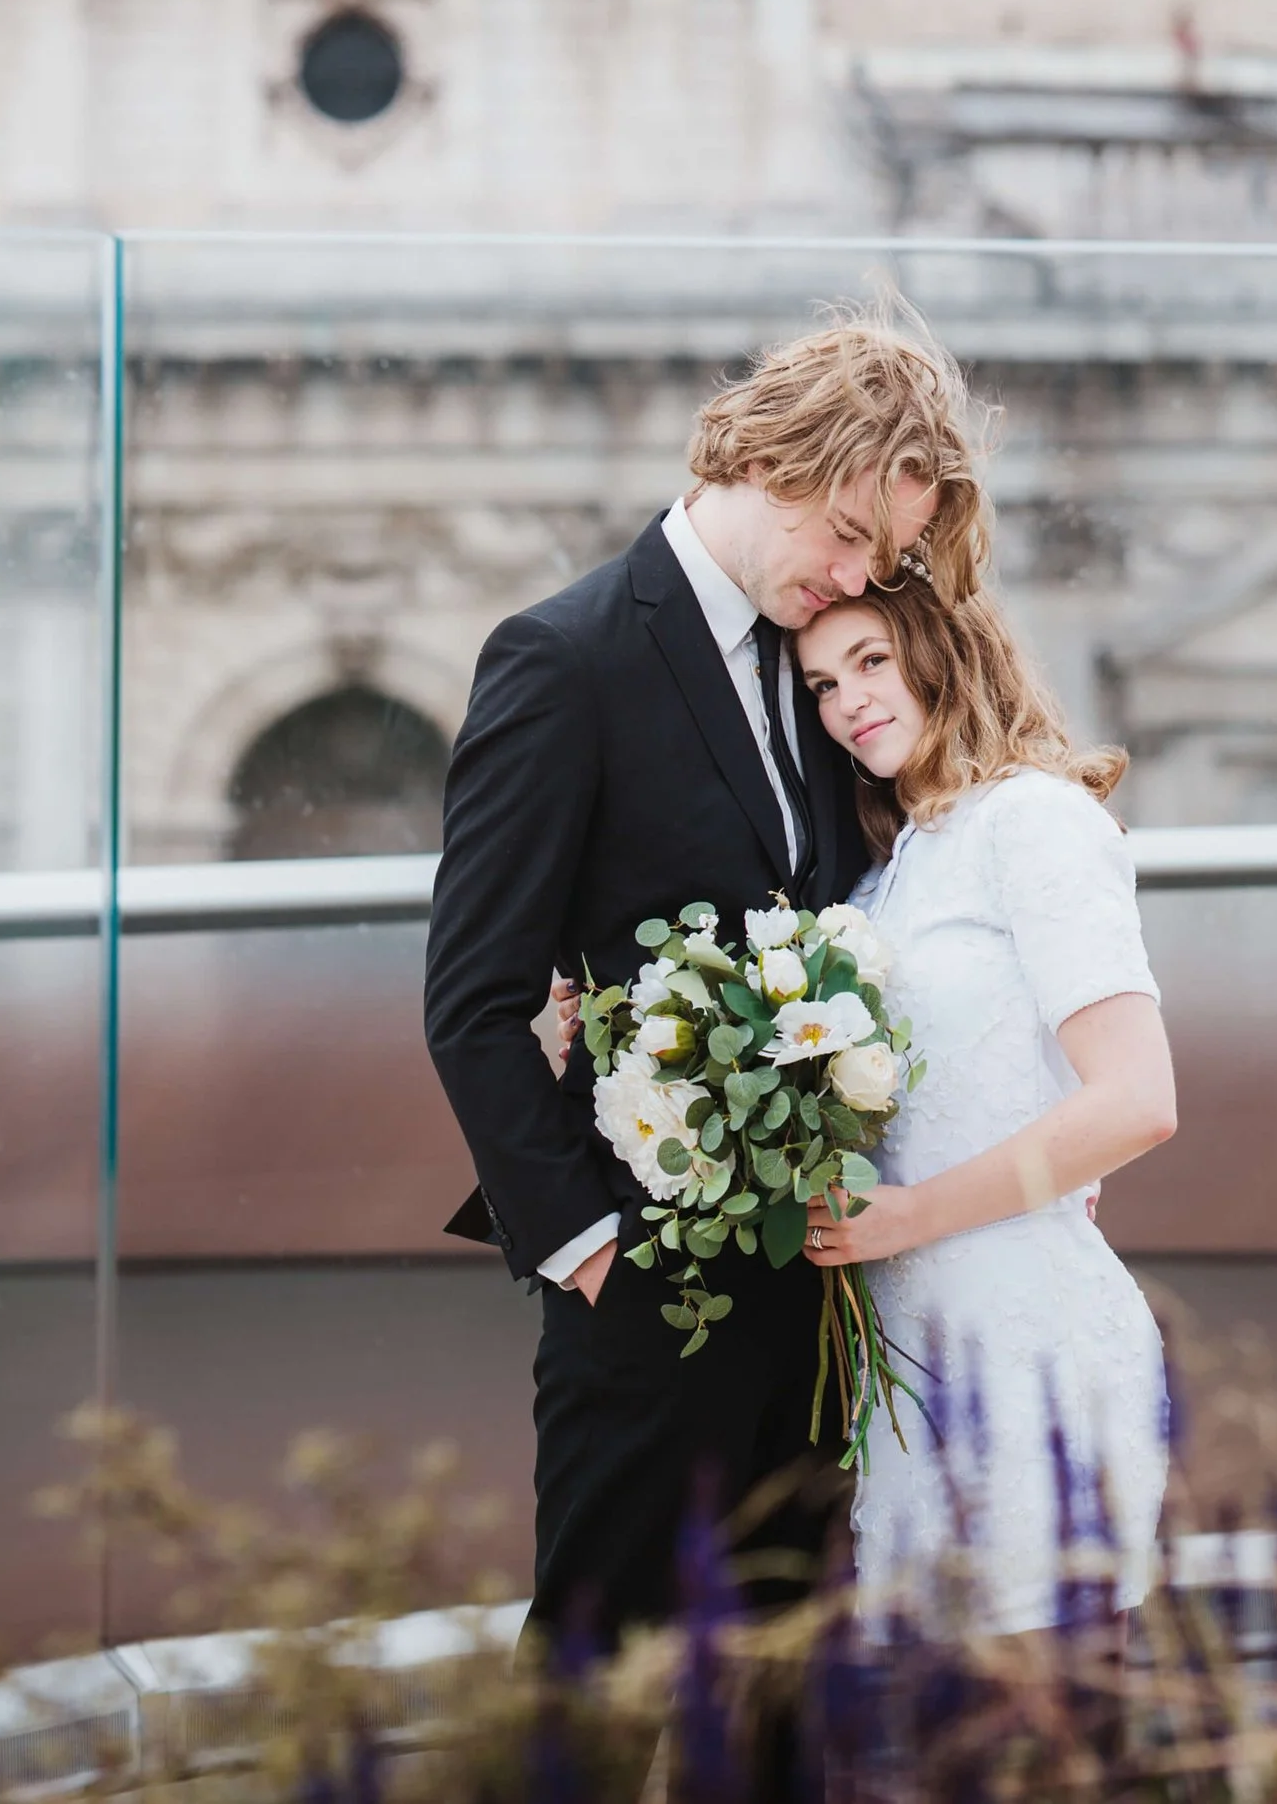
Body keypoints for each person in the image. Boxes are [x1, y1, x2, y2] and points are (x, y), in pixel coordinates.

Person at [422, 307, 987, 1651]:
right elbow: (473, 998)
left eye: (887, 554)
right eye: (850, 533)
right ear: (769, 458)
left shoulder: (820, 663)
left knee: (788, 1711)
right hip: (645, 1296)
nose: (860, 572)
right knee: (593, 1703)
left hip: (822, 1296)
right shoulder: (563, 660)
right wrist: (589, 1252)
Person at [796, 566, 1177, 1631]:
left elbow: (1137, 1100)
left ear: (945, 652)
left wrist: (911, 1215)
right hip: (903, 1368)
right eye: (822, 684)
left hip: (1025, 1354)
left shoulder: (1037, 823)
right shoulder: (891, 867)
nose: (848, 701)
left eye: (870, 661)